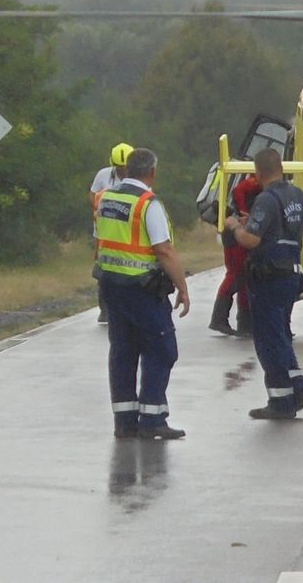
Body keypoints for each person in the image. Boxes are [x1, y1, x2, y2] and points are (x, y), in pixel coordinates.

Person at [97, 148, 190, 440]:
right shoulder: (147, 204)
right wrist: (183, 288)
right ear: (151, 172)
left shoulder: (107, 198)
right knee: (162, 350)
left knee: (123, 352)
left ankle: (124, 422)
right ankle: (152, 419)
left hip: (112, 286)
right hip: (142, 289)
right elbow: (163, 249)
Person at [224, 148, 303, 420]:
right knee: (280, 333)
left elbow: (251, 240)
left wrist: (236, 227)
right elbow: (288, 230)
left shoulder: (266, 199)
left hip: (269, 277)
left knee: (269, 339)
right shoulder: (298, 196)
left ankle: (294, 388)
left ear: (258, 172)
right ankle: (282, 399)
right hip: (292, 273)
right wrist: (253, 223)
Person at [210, 174, 262, 337]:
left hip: (236, 231)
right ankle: (220, 319)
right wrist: (243, 213)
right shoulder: (254, 180)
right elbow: (240, 191)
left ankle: (245, 324)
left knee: (244, 278)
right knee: (236, 275)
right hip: (236, 233)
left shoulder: (250, 177)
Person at [90, 142, 134, 324]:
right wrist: (97, 208)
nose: (123, 171)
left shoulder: (137, 178)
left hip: (126, 230)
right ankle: (105, 308)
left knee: (126, 266)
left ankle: (126, 306)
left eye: (125, 168)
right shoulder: (103, 175)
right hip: (104, 227)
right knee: (103, 265)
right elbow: (92, 193)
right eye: (119, 168)